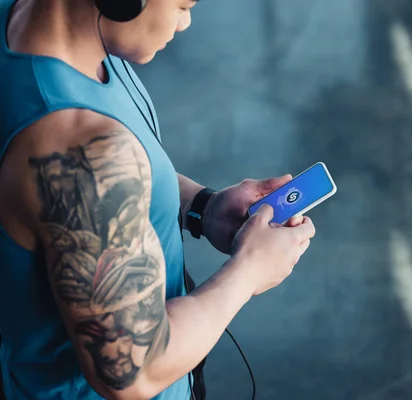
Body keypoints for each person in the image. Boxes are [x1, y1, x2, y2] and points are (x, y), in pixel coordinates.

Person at [0, 0, 316, 399]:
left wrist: (203, 207)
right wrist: (249, 270)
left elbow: (96, 186)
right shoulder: (78, 144)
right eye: (183, 5)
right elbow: (134, 370)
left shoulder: (33, 27)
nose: (185, 22)